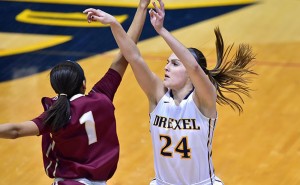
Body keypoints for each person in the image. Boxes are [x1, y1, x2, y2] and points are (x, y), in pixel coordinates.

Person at [84, 0, 256, 184]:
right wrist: (115, 23)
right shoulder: (158, 96)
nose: (166, 67)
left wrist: (162, 31)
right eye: (167, 62)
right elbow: (133, 56)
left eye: (174, 64)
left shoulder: (204, 100)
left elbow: (195, 68)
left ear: (190, 75)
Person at [0, 0, 150, 184]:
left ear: (56, 88)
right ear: (84, 83)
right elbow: (126, 53)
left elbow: (15, 130)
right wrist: (142, 7)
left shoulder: (55, 114)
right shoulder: (102, 97)